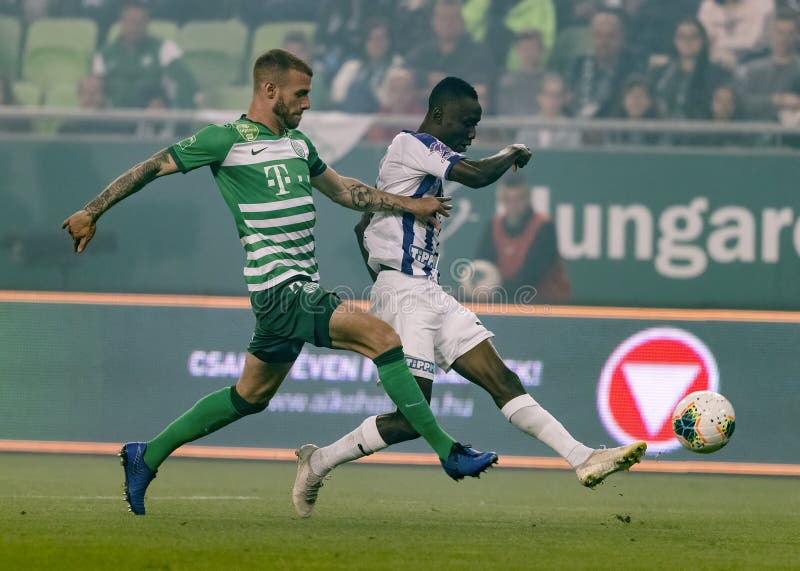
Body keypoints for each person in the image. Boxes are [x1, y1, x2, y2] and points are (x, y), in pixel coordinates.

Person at [61, 50, 498, 516]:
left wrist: (409, 206)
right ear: (269, 90)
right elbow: (152, 167)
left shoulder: (298, 146)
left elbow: (345, 191)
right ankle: (447, 451)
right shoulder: (223, 139)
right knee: (383, 337)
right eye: (301, 93)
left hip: (290, 292)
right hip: (281, 287)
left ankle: (144, 455)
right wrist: (93, 209)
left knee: (249, 397)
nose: (307, 103)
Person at [291, 76, 647, 519]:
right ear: (439, 115)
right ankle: (318, 462)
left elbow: (362, 227)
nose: (471, 134)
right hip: (406, 294)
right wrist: (513, 151)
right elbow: (477, 176)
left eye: (476, 125)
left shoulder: (415, 167)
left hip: (427, 293)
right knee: (408, 419)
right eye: (467, 122)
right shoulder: (411, 144)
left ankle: (582, 457)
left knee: (504, 381)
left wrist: (387, 266)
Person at [472, 171, 571, 303]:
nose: (513, 205)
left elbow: (531, 276)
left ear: (527, 198)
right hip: (507, 303)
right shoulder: (493, 226)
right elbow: (483, 267)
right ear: (501, 199)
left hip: (546, 305)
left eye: (518, 199)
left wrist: (494, 290)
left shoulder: (544, 227)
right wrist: (475, 287)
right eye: (507, 199)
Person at [91, 1, 197, 109]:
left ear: (147, 23)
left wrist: (167, 105)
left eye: (140, 21)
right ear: (122, 22)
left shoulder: (165, 49)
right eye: (131, 21)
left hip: (151, 119)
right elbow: (96, 90)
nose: (135, 26)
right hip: (114, 118)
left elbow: (186, 84)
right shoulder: (104, 54)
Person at [565, 9, 642, 118]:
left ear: (622, 38)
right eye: (598, 35)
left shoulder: (633, 66)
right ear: (590, 37)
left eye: (611, 36)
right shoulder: (578, 63)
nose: (604, 42)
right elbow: (568, 99)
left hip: (617, 128)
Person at [736, 10, 800, 121]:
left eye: (790, 33)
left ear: (796, 35)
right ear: (770, 32)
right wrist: (777, 100)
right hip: (754, 131)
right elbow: (742, 103)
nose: (784, 38)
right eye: (780, 32)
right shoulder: (752, 69)